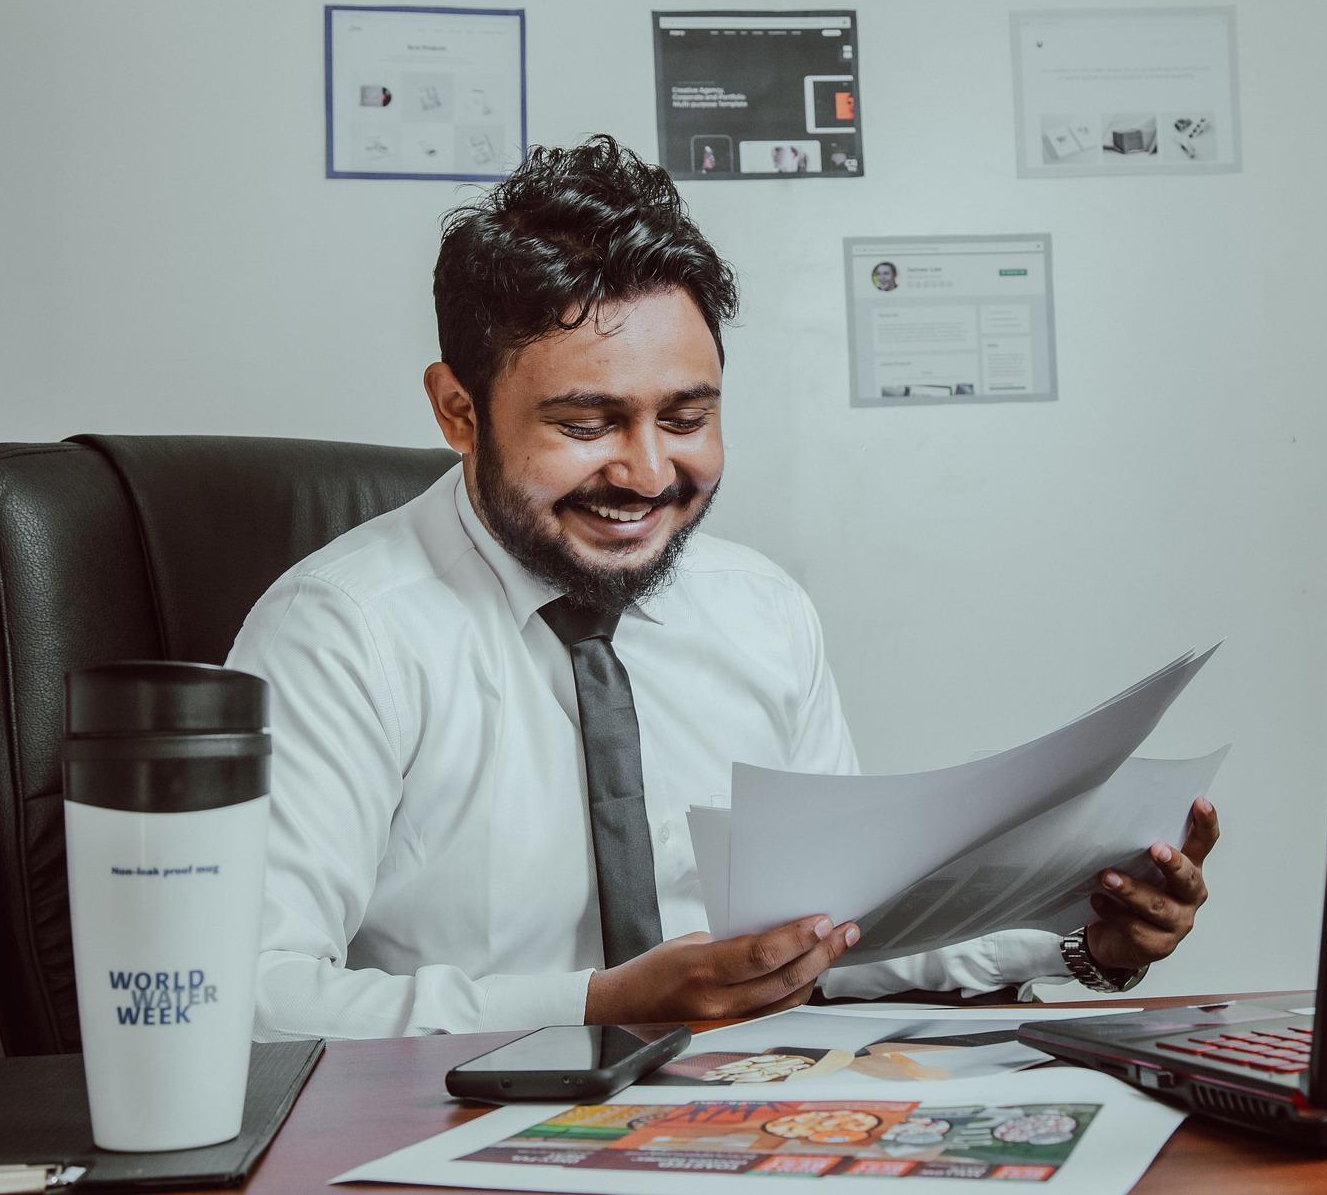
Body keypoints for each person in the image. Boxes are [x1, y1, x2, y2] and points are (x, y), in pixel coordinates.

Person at [228, 135, 1219, 1040]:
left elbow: (833, 933)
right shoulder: (339, 633)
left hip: (737, 1126)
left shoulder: (760, 611)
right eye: (586, 424)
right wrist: (598, 1002)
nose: (649, 473)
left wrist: (1086, 938)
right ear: (457, 410)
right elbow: (255, 998)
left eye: (687, 416)